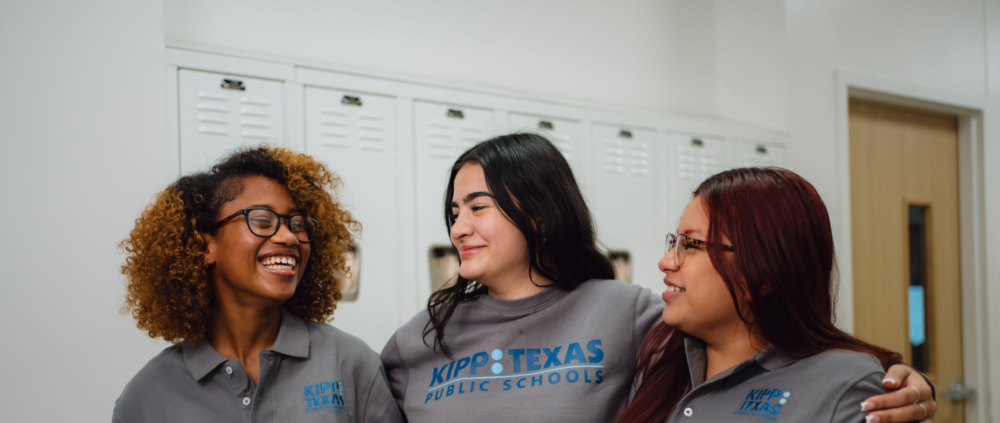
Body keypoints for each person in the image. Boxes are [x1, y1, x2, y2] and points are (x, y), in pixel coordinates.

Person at [380, 133, 935, 422]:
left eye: (478, 207)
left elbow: (775, 343)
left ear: (542, 211)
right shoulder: (416, 341)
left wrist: (902, 378)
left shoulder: (630, 314)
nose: (459, 227)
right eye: (454, 212)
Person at [616, 167, 937, 423]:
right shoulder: (656, 356)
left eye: (691, 245)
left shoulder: (844, 384)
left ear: (763, 273)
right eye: (674, 243)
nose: (666, 261)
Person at [113, 146, 402, 423]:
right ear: (205, 246)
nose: (289, 237)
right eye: (263, 221)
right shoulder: (148, 395)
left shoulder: (350, 363)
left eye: (298, 224)